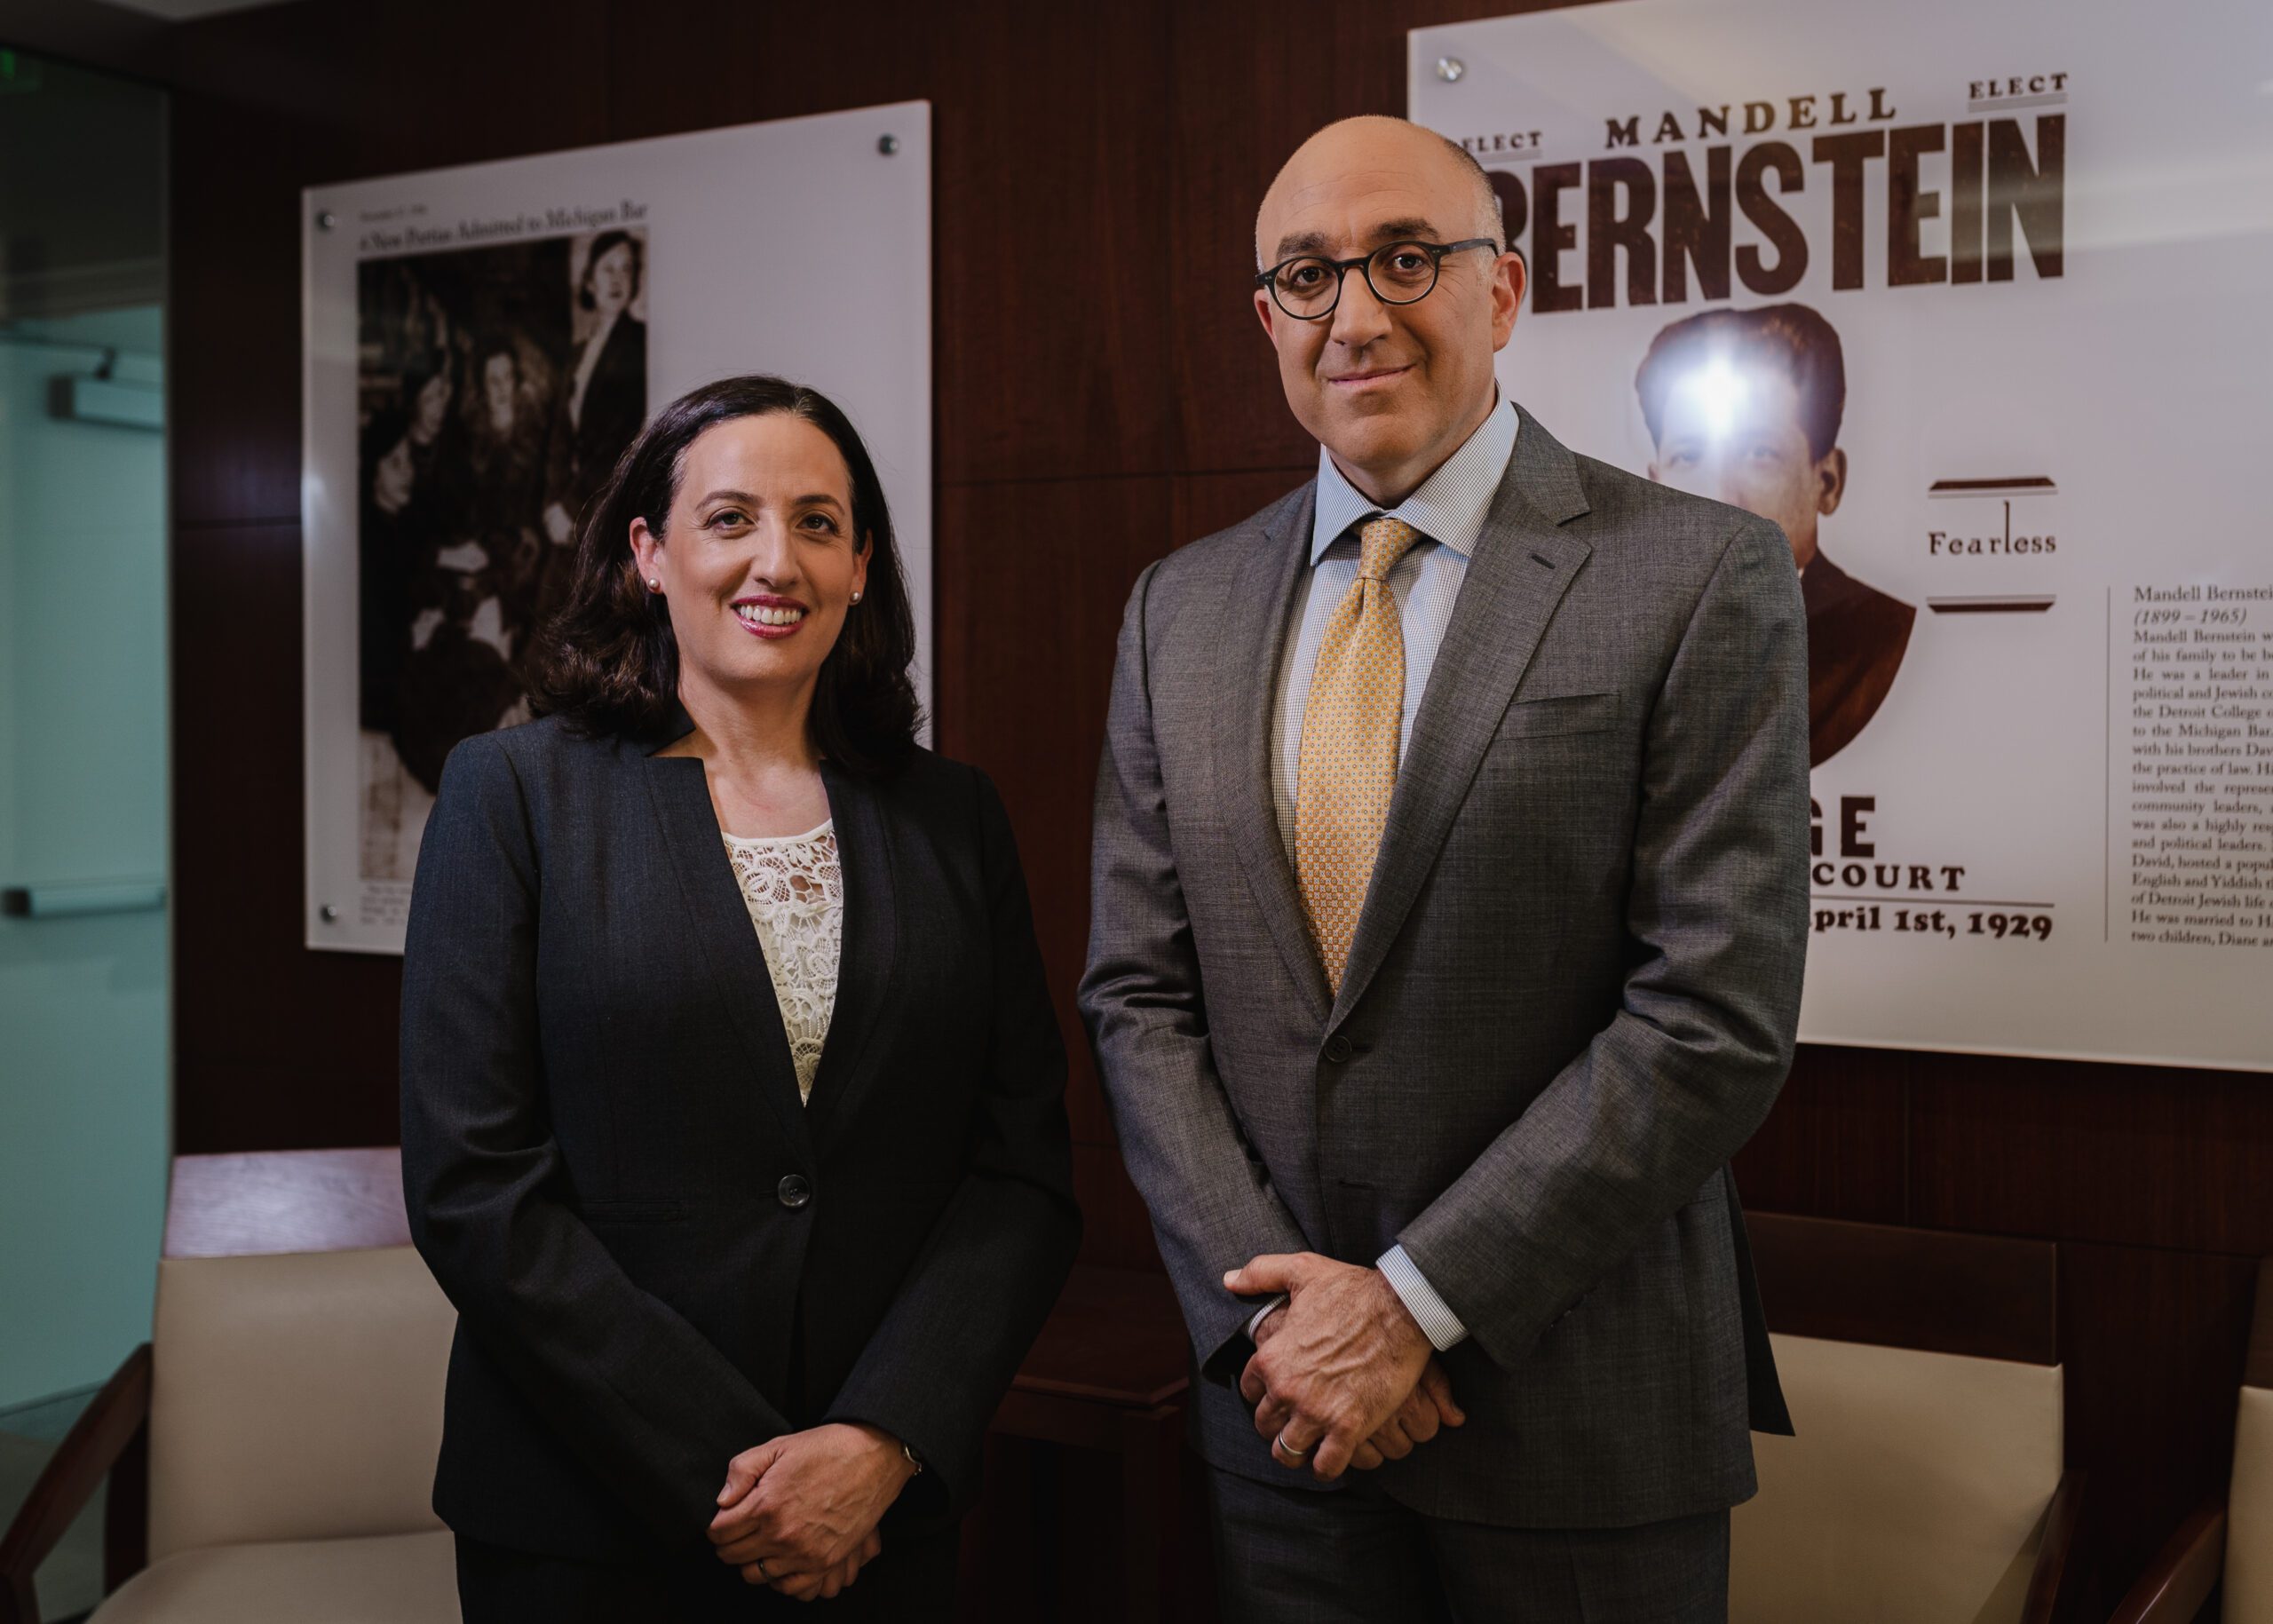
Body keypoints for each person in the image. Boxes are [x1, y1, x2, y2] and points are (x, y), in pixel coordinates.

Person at [1079, 115, 1808, 1621]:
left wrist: (1407, 1306)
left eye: (1405, 257)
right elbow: (1140, 996)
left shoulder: (1696, 574)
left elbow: (1711, 1015)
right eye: (1306, 274)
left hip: (1580, 1422)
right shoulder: (1178, 610)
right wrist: (1295, 1323)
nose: (1356, 312)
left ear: (1503, 291)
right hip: (1284, 1419)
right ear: (1266, 315)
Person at [401, 374, 1081, 1620]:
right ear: (648, 555)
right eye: (730, 520)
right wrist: (746, 1473)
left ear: (864, 563)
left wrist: (880, 1441)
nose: (779, 559)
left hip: (879, 1510)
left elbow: (1021, 1168)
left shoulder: (953, 818)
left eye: (819, 522)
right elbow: (474, 1183)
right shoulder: (512, 795)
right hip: (586, 1515)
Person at [1636, 303, 1914, 766]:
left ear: (1827, 482)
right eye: (1688, 457)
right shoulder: (1621, 651)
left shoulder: (1878, 638)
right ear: (1655, 483)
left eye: (1759, 452)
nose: (1720, 496)